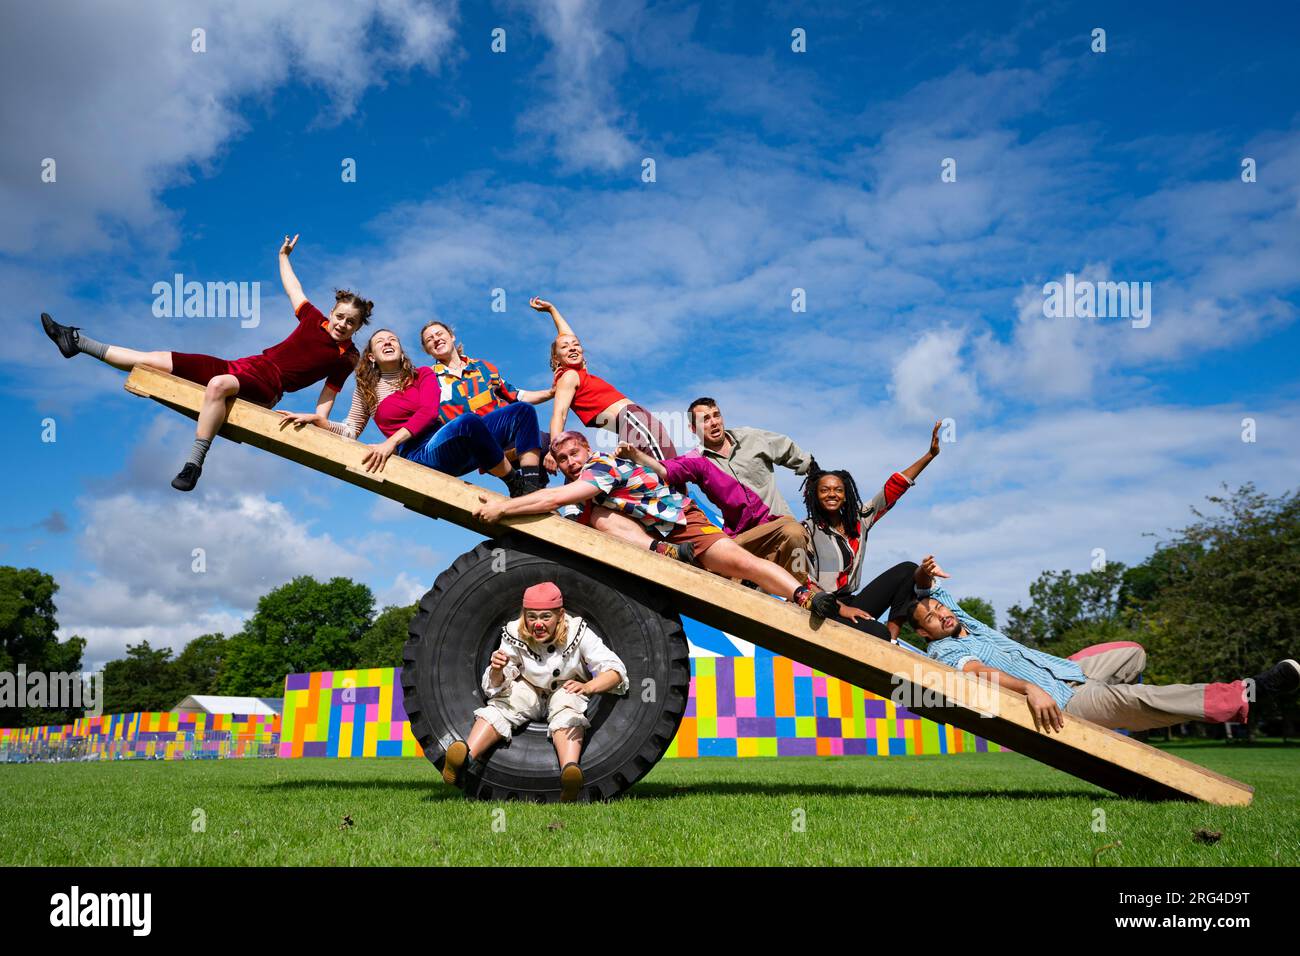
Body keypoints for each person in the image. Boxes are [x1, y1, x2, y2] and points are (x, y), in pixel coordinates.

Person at [40, 234, 366, 492]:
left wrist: (313, 418)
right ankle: (78, 342)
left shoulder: (346, 356)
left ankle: (194, 463)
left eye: (351, 322)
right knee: (155, 360)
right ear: (332, 311)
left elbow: (327, 400)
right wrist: (282, 257)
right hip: (244, 365)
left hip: (269, 385)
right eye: (340, 316)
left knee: (218, 384)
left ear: (358, 326)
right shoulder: (312, 319)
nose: (342, 325)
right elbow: (294, 287)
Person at [902, 556, 1300, 733]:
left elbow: (933, 591)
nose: (941, 616)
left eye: (939, 609)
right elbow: (976, 673)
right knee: (1140, 698)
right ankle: (1245, 693)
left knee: (1133, 651)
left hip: (1069, 670)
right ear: (924, 633)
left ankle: (1119, 704)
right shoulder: (945, 650)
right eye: (931, 619)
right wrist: (1029, 687)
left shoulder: (964, 622)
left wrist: (923, 577)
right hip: (1067, 703)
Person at [472, 431, 845, 619]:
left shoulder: (599, 468)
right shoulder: (584, 492)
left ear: (587, 451)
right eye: (562, 458)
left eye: (574, 454)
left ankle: (805, 596)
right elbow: (558, 515)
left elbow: (552, 499)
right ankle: (661, 551)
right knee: (594, 517)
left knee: (741, 563)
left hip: (682, 524)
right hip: (659, 536)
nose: (570, 462)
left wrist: (504, 509)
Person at [441, 582, 629, 802]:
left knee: (568, 706)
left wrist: (587, 687)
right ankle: (465, 758)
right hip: (527, 689)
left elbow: (615, 671)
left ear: (560, 614)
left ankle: (570, 773)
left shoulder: (578, 632)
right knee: (503, 704)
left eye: (545, 617)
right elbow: (495, 686)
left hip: (565, 688)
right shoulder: (514, 632)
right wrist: (497, 670)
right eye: (532, 617)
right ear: (524, 615)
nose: (537, 624)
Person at [799, 420, 943, 641]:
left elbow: (894, 488)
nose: (832, 494)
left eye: (838, 490)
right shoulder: (806, 530)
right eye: (824, 490)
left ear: (846, 495)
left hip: (851, 601)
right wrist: (841, 609)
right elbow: (802, 579)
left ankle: (893, 639)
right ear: (815, 496)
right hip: (822, 607)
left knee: (908, 570)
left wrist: (929, 455)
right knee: (877, 633)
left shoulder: (860, 520)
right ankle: (884, 637)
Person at [614, 441, 807, 578]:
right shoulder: (700, 461)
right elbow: (667, 471)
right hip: (743, 538)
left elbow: (783, 445)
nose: (713, 422)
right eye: (704, 419)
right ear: (693, 428)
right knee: (785, 529)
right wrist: (636, 456)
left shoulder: (749, 438)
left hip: (774, 531)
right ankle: (728, 570)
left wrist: (808, 466)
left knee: (792, 530)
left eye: (716, 415)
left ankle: (799, 593)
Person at [530, 296, 678, 464]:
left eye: (576, 345)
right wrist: (555, 449)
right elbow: (560, 414)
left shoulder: (579, 373)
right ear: (556, 359)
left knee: (660, 476)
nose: (572, 347)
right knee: (668, 472)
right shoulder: (569, 376)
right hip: (633, 421)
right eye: (565, 347)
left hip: (633, 425)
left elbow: (568, 336)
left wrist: (552, 310)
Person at [418, 319, 553, 493]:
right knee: (472, 423)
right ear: (427, 350)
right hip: (468, 443)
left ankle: (532, 490)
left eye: (439, 334)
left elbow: (518, 395)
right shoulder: (428, 379)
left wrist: (551, 392)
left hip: (499, 435)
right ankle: (515, 482)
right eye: (429, 339)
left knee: (547, 440)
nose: (436, 339)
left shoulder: (483, 368)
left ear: (451, 336)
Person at [276, 327, 414, 439]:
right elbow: (351, 430)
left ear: (401, 352)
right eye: (380, 341)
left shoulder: (421, 377)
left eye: (392, 340)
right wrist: (319, 420)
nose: (387, 343)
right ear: (371, 357)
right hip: (410, 452)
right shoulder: (367, 389)